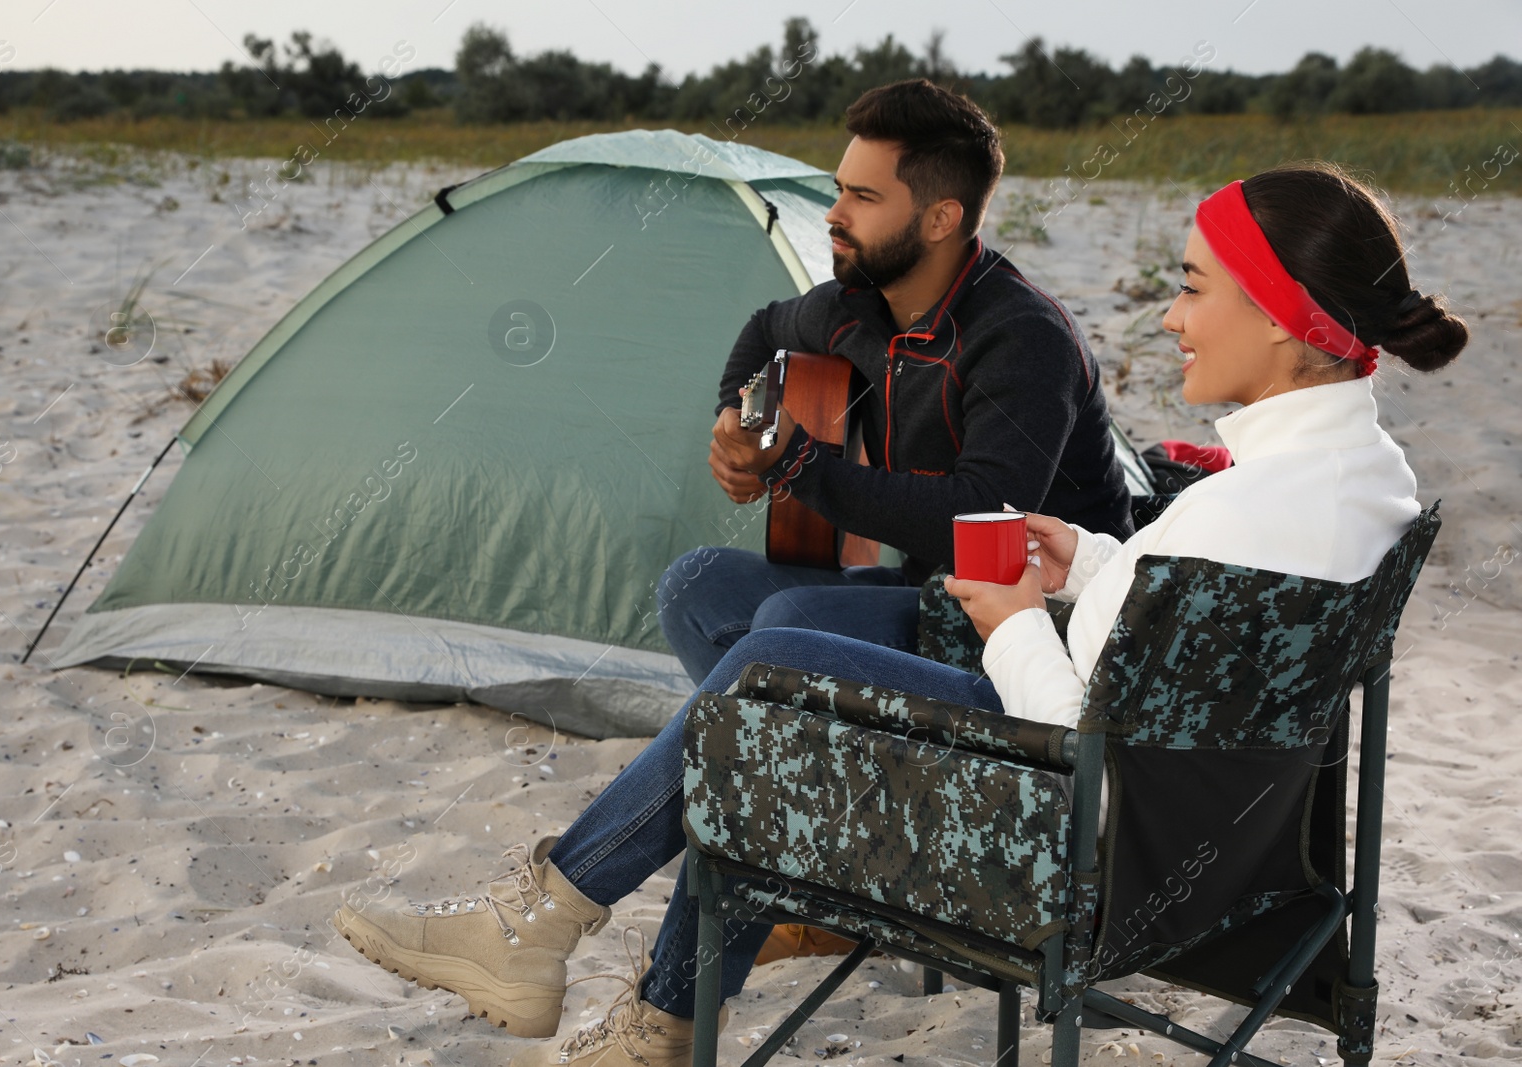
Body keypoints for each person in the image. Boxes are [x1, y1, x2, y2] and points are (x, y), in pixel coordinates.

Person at [333, 163, 1466, 1067]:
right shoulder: (1355, 478)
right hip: (1186, 821)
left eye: (1189, 285)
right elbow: (1189, 633)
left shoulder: (1242, 503)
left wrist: (1012, 616)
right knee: (721, 602)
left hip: (1059, 837)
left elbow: (1090, 745)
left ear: (1277, 316)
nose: (1168, 316)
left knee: (764, 668)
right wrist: (1084, 561)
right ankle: (677, 946)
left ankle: (577, 936)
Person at [657, 78, 1133, 686]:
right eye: (838, 190)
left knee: (789, 619)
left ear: (940, 219)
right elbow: (763, 329)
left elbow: (983, 516)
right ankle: (770, 750)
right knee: (697, 584)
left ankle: (763, 745)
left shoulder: (1023, 337)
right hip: (921, 589)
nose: (834, 213)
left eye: (862, 197)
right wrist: (742, 431)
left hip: (1039, 625)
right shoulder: (856, 303)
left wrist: (798, 463)